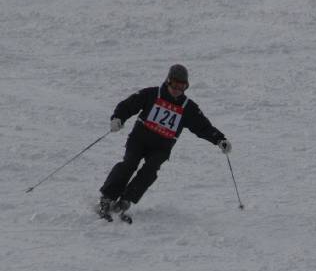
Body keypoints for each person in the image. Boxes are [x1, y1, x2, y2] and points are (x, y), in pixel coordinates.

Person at [98, 64, 232, 217]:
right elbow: (129, 105)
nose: (177, 90)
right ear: (168, 81)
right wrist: (118, 118)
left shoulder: (187, 107)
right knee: (129, 164)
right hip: (139, 139)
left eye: (182, 86)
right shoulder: (152, 94)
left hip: (161, 147)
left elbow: (202, 126)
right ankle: (107, 197)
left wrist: (219, 140)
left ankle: (126, 199)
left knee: (150, 170)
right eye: (174, 84)